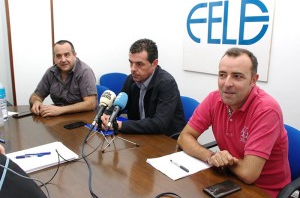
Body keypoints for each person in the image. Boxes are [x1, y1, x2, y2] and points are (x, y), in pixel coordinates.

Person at [177, 47, 291, 197]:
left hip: (264, 191)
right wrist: (211, 156)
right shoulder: (214, 98)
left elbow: (248, 174)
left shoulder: (267, 110)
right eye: (222, 75)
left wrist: (223, 162)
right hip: (229, 180)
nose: (227, 83)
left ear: (253, 80)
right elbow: (184, 137)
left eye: (237, 76)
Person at [102, 38, 186, 136]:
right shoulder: (131, 80)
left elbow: (159, 124)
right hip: (140, 135)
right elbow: (118, 106)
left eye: (139, 64)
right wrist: (106, 115)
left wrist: (119, 125)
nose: (133, 69)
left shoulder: (167, 84)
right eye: (131, 62)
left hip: (166, 140)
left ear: (154, 64)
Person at [29, 40, 97, 117]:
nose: (63, 60)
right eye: (58, 56)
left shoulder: (84, 71)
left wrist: (60, 110)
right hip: (59, 118)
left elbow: (91, 104)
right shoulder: (51, 72)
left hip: (83, 118)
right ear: (54, 58)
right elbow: (35, 96)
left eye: (67, 55)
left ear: (74, 55)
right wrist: (36, 102)